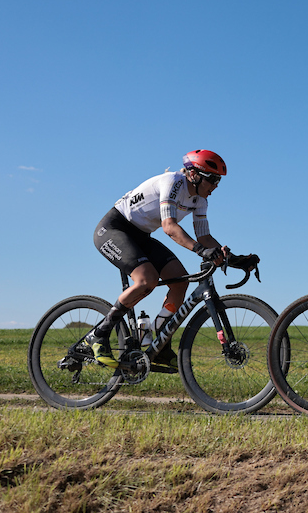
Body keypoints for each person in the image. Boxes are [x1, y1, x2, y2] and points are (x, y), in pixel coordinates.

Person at [86, 150, 231, 369]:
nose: (216, 186)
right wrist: (201, 251)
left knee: (180, 282)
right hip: (114, 229)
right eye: (213, 179)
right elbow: (169, 227)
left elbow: (205, 237)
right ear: (194, 175)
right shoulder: (172, 182)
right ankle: (99, 334)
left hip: (141, 236)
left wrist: (233, 258)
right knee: (147, 280)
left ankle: (159, 345)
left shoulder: (200, 201)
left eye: (218, 181)